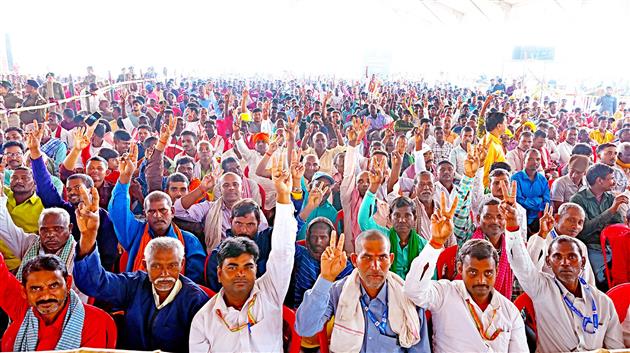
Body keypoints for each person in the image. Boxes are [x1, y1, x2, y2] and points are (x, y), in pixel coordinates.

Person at [73, 190, 208, 352]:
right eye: (156, 266)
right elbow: (95, 284)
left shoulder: (195, 299)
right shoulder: (134, 284)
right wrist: (88, 237)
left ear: (181, 264)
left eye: (172, 266)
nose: (164, 273)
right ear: (145, 265)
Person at [188, 154, 298, 353]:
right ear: (219, 273)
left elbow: (283, 250)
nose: (241, 273)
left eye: (248, 267)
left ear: (257, 270)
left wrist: (283, 197)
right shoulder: (203, 319)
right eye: (232, 267)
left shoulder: (270, 293)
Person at [403, 195, 527, 352]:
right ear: (460, 269)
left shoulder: (509, 311)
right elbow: (412, 290)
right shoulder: (444, 293)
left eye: (488, 273)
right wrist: (435, 244)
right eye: (473, 272)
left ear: (496, 271)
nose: (481, 280)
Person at [504, 196, 625, 352]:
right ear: (549, 262)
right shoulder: (543, 290)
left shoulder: (603, 302)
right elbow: (523, 266)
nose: (565, 262)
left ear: (582, 262)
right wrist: (513, 227)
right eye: (558, 257)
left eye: (572, 257)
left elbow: (617, 348)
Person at [295, 229, 431, 353]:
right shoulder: (338, 291)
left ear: (391, 260)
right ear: (354, 260)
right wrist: (325, 278)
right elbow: (305, 328)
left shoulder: (407, 297)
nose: (375, 266)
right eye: (367, 257)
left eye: (382, 257)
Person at [108, 143, 206, 283]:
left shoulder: (189, 241)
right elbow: (118, 212)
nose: (158, 216)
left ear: (172, 212)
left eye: (163, 210)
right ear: (144, 213)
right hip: (139, 296)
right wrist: (125, 177)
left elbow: (195, 281)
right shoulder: (136, 233)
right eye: (152, 212)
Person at [28, 121, 118, 270]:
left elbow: (109, 254)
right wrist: (35, 153)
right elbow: (44, 187)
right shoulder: (63, 211)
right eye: (69, 189)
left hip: (93, 272)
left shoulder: (101, 216)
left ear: (90, 190)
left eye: (78, 187)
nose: (72, 192)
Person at [0, 253, 116, 351]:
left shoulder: (95, 322)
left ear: (68, 283)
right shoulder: (24, 309)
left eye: (53, 286)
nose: (45, 296)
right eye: (36, 288)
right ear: (24, 291)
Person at [570, 163, 627, 289]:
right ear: (599, 181)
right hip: (590, 247)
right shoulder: (578, 200)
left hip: (610, 246)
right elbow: (584, 231)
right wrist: (611, 211)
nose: (614, 182)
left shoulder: (610, 197)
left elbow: (617, 225)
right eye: (611, 178)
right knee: (604, 280)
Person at [526, 202, 596, 286]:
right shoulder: (539, 238)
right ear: (557, 218)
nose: (576, 226)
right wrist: (542, 236)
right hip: (546, 292)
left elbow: (589, 280)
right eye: (571, 220)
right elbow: (531, 271)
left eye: (580, 222)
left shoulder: (580, 245)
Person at [292, 217, 353, 307]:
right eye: (313, 237)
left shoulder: (341, 263)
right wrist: (302, 216)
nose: (318, 242)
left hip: (330, 314)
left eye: (323, 237)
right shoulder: (302, 254)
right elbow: (285, 241)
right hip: (299, 310)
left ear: (331, 239)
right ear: (308, 238)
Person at [511, 149, 550, 234]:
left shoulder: (542, 179)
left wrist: (528, 201)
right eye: (530, 159)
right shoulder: (515, 178)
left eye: (538, 159)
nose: (535, 162)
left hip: (537, 220)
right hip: (519, 219)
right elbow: (519, 202)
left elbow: (547, 202)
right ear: (524, 161)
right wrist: (538, 200)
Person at [482, 112, 507, 187]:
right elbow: (486, 170)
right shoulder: (490, 145)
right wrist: (487, 191)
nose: (507, 125)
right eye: (505, 123)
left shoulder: (494, 141)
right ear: (499, 126)